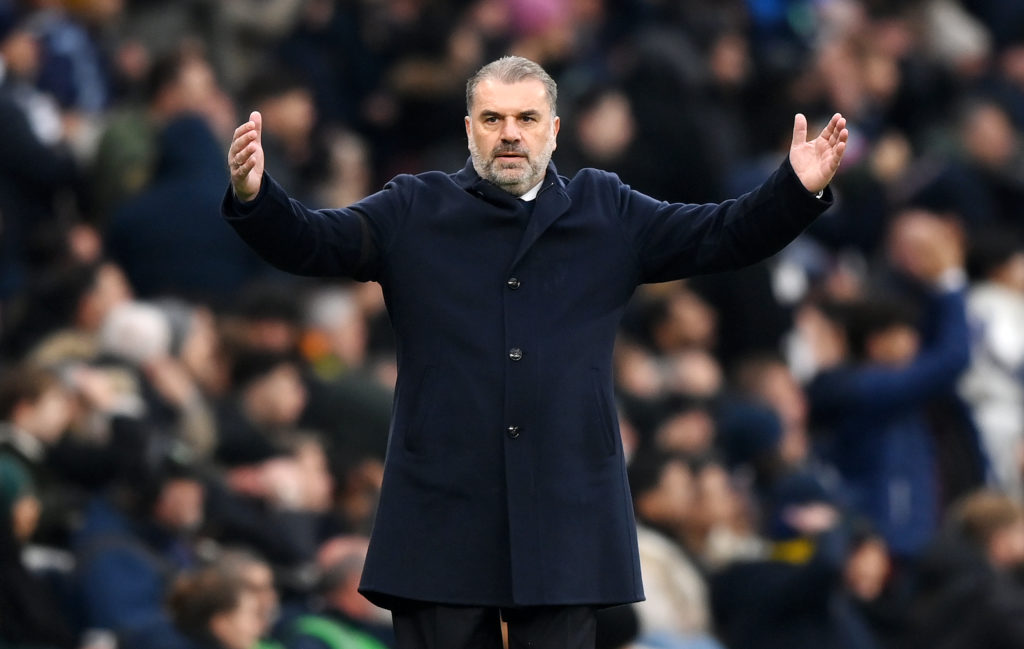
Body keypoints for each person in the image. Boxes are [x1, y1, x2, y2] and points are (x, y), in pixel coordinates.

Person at [222, 55, 847, 649]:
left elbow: (723, 234)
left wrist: (793, 189)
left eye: (525, 119)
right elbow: (314, 241)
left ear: (553, 128)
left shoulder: (608, 209)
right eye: (493, 120)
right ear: (469, 129)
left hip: (565, 504)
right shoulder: (414, 207)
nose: (510, 135)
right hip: (443, 506)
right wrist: (257, 196)